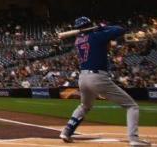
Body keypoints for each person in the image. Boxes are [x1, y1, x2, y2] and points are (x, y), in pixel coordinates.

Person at [60, 17, 148, 146]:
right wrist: (103, 27)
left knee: (84, 106)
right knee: (131, 106)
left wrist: (99, 29)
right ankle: (134, 139)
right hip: (97, 78)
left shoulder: (78, 40)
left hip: (83, 78)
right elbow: (120, 29)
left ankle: (67, 131)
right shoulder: (97, 36)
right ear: (90, 25)